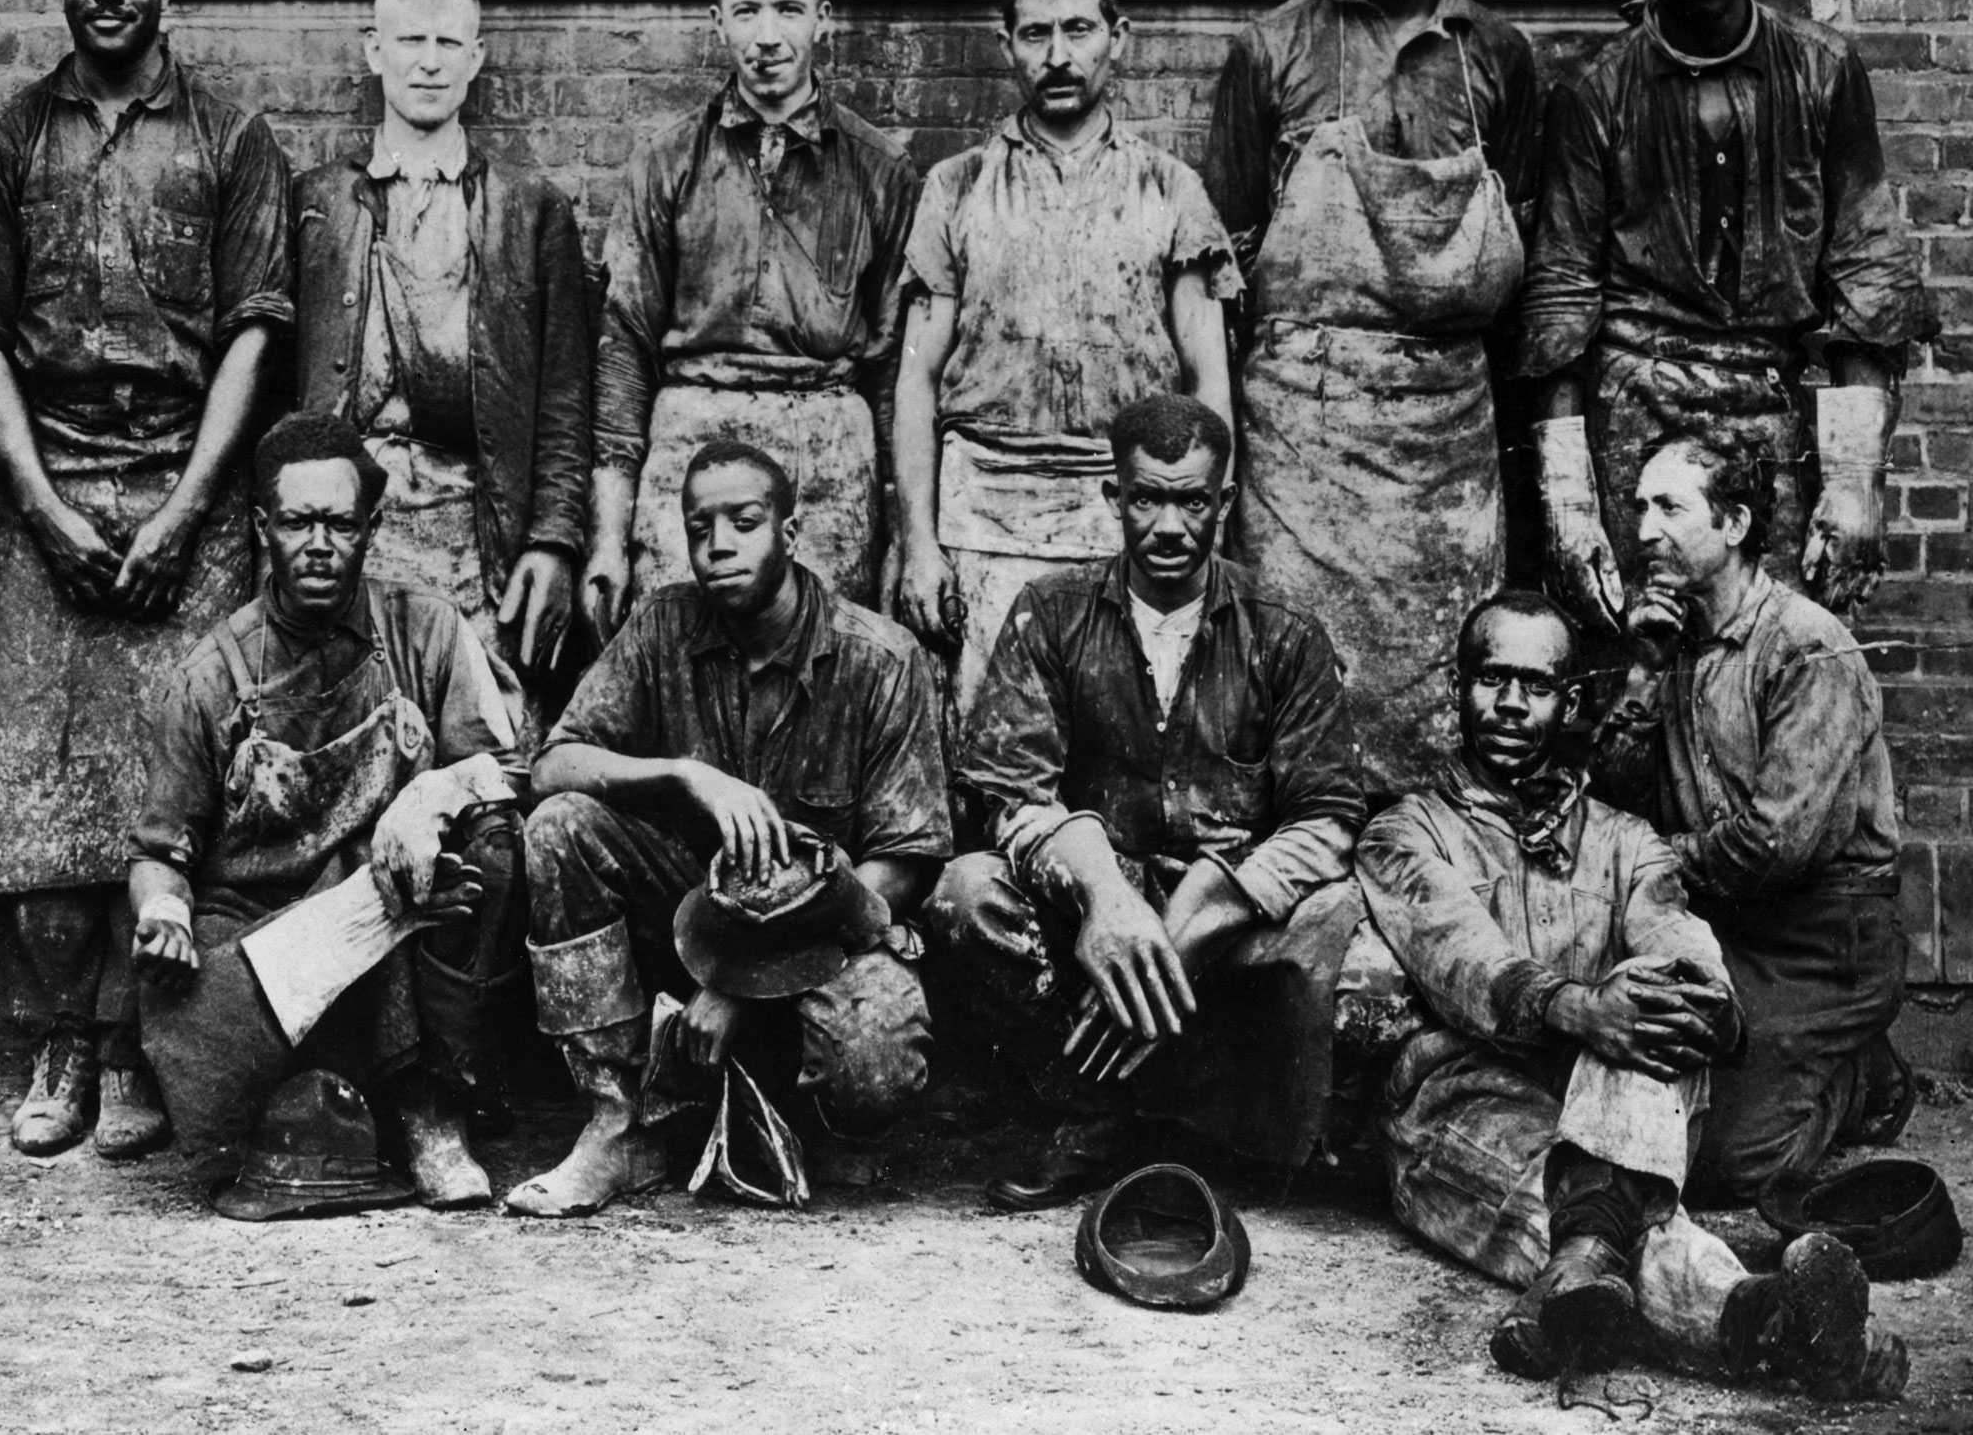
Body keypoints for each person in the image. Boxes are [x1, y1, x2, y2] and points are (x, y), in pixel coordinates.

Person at [0, 0, 292, 1162]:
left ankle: (145, 1038)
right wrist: (38, 508)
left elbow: (256, 332)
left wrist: (189, 513)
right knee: (40, 784)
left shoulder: (232, 135)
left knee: (171, 787)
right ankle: (61, 1042)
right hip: (46, 479)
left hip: (183, 482)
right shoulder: (6, 142)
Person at [1358, 590, 1906, 1401]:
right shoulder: (1405, 832)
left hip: (1606, 1098)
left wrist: (1698, 999)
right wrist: (1578, 1007)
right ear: (1459, 688)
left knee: (1654, 991)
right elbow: (1461, 954)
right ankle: (1773, 1322)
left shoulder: (1624, 838)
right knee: (1602, 1208)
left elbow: (1673, 929)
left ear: (1570, 700)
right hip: (1461, 1101)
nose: (1511, 704)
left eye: (1536, 685)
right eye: (1492, 679)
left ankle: (1588, 1264)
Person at [924, 393, 1363, 1211]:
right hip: (1097, 914)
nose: (1169, 525)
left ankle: (1216, 1128)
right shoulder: (1050, 612)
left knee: (1330, 909)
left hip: (1227, 926)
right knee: (967, 891)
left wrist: (1216, 897)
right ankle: (1090, 1110)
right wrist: (1105, 895)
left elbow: (1330, 819)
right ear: (1114, 497)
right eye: (1148, 498)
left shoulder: (1287, 630)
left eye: (1192, 500)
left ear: (1224, 501)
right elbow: (1011, 794)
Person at [509, 440, 949, 1218]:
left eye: (744, 521)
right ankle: (620, 1123)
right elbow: (553, 764)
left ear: (791, 529)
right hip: (688, 909)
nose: (718, 545)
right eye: (699, 526)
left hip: (825, 935)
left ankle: (803, 1119)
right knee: (560, 827)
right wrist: (684, 773)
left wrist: (738, 976)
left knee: (873, 1060)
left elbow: (903, 865)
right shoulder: (663, 625)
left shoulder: (879, 657)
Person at [1203, 0, 1539, 796]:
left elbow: (1517, 243)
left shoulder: (1499, 57)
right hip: (1304, 436)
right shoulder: (1272, 51)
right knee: (1301, 688)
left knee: (1447, 707)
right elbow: (1226, 265)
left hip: (1449, 440)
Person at [1520, 0, 1930, 632]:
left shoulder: (1822, 71)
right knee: (1641, 660)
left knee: (1771, 651)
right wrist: (1569, 502)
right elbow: (1561, 297)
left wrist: (1854, 481)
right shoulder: (1593, 93)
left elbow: (1868, 271)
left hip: (1766, 407)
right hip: (1636, 400)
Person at [125, 414, 526, 1209]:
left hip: (403, 914)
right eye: (299, 522)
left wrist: (432, 792)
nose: (319, 543)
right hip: (271, 937)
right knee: (194, 1012)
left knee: (490, 849)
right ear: (262, 527)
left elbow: (507, 769)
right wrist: (162, 907)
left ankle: (433, 1103)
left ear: (370, 529)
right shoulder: (210, 676)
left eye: (340, 523)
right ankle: (317, 1102)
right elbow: (158, 849)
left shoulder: (427, 629)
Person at [895, 0, 1240, 724]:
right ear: (1005, 44)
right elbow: (916, 379)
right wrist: (920, 542)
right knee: (985, 747)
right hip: (984, 511)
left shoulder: (1169, 188)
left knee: (1119, 739)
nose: (1058, 56)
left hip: (1127, 511)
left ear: (1119, 36)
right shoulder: (956, 186)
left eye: (1079, 30)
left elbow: (1208, 379)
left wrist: (1201, 522)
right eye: (1035, 34)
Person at [1592, 436, 1913, 1200]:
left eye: (1670, 506)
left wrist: (1650, 861)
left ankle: (1861, 1073)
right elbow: (1612, 798)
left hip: (1825, 941)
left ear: (1734, 524)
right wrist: (1641, 671)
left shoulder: (1807, 647)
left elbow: (1777, 846)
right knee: (1635, 1097)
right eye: (1638, 506)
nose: (1642, 530)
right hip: (1723, 926)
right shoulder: (1672, 644)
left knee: (1730, 1166)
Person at [582, 0, 919, 642]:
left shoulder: (880, 172)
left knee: (822, 668)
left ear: (823, 20)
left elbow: (896, 371)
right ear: (717, 22)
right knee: (677, 656)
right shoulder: (666, 163)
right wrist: (609, 536)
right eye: (746, 12)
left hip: (825, 444)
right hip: (690, 430)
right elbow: (624, 353)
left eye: (788, 10)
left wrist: (904, 534)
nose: (767, 36)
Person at [291, 0, 589, 740]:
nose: (429, 60)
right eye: (411, 39)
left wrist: (553, 542)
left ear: (477, 58)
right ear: (372, 49)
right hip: (352, 528)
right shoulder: (315, 204)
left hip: (476, 531)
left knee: (487, 742)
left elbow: (564, 398)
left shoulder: (531, 209)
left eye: (449, 43)